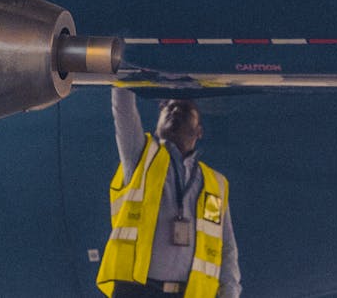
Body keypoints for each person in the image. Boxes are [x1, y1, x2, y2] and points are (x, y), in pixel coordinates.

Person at [96, 88, 241, 297]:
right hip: (137, 290)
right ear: (157, 125)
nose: (174, 110)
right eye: (167, 107)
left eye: (185, 109)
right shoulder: (140, 157)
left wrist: (229, 294)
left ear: (199, 130)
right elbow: (123, 109)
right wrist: (123, 67)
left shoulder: (215, 184)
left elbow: (227, 249)